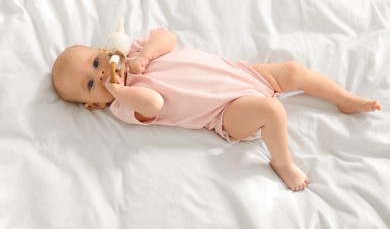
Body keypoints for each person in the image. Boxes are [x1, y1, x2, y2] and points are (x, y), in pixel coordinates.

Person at [52, 27, 382, 191]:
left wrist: (145, 56)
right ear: (95, 103)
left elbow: (167, 36)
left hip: (242, 74)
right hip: (226, 111)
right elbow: (155, 103)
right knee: (272, 111)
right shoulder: (124, 104)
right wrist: (119, 90)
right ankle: (283, 162)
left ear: (103, 50)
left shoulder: (136, 52)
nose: (100, 73)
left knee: (294, 71)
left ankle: (343, 98)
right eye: (92, 84)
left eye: (96, 63)